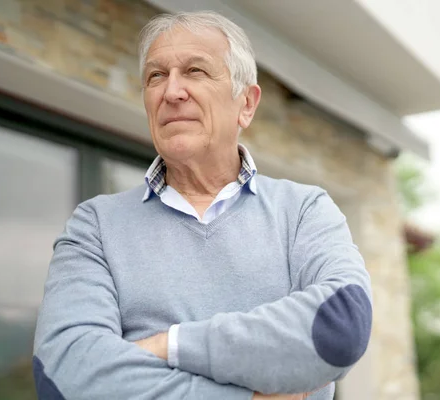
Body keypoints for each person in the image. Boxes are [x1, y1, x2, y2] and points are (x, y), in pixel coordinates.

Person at [32, 10, 372, 400]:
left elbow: (340, 326)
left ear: (246, 103)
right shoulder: (95, 225)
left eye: (195, 71)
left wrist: (167, 346)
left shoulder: (304, 210)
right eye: (156, 76)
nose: (171, 91)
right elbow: (64, 376)